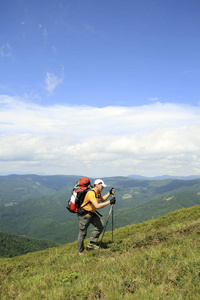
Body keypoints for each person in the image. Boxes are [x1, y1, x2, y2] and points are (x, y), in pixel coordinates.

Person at [77, 179, 116, 255]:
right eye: (102, 186)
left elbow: (102, 199)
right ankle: (80, 251)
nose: (103, 188)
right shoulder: (91, 193)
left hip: (91, 213)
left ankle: (91, 244)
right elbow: (97, 206)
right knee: (82, 233)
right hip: (84, 215)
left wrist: (109, 193)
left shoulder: (98, 193)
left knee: (100, 225)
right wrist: (109, 202)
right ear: (97, 185)